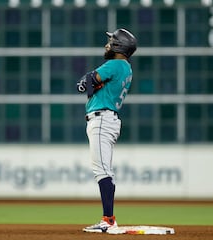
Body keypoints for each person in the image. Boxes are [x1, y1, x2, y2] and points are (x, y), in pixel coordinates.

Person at [76, 28, 137, 233]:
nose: (108, 43)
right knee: (103, 170)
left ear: (119, 46)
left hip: (102, 119)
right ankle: (108, 219)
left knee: (102, 171)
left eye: (112, 40)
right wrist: (91, 82)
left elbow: (86, 83)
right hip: (107, 119)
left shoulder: (114, 64)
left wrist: (90, 81)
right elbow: (90, 83)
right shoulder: (126, 67)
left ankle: (108, 220)